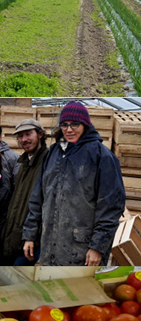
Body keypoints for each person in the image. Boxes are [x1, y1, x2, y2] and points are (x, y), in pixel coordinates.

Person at [23, 101, 126, 266]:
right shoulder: (53, 153)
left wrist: (98, 247)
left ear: (85, 124)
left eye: (75, 124)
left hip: (82, 250)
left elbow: (111, 206)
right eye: (64, 125)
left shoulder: (101, 156)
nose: (69, 129)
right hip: (50, 247)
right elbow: (38, 198)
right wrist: (30, 235)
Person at [1, 119, 48, 265]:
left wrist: (34, 236)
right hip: (17, 234)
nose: (24, 140)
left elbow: (46, 204)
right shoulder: (23, 164)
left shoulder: (48, 161)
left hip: (33, 240)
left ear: (40, 134)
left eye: (28, 134)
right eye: (20, 136)